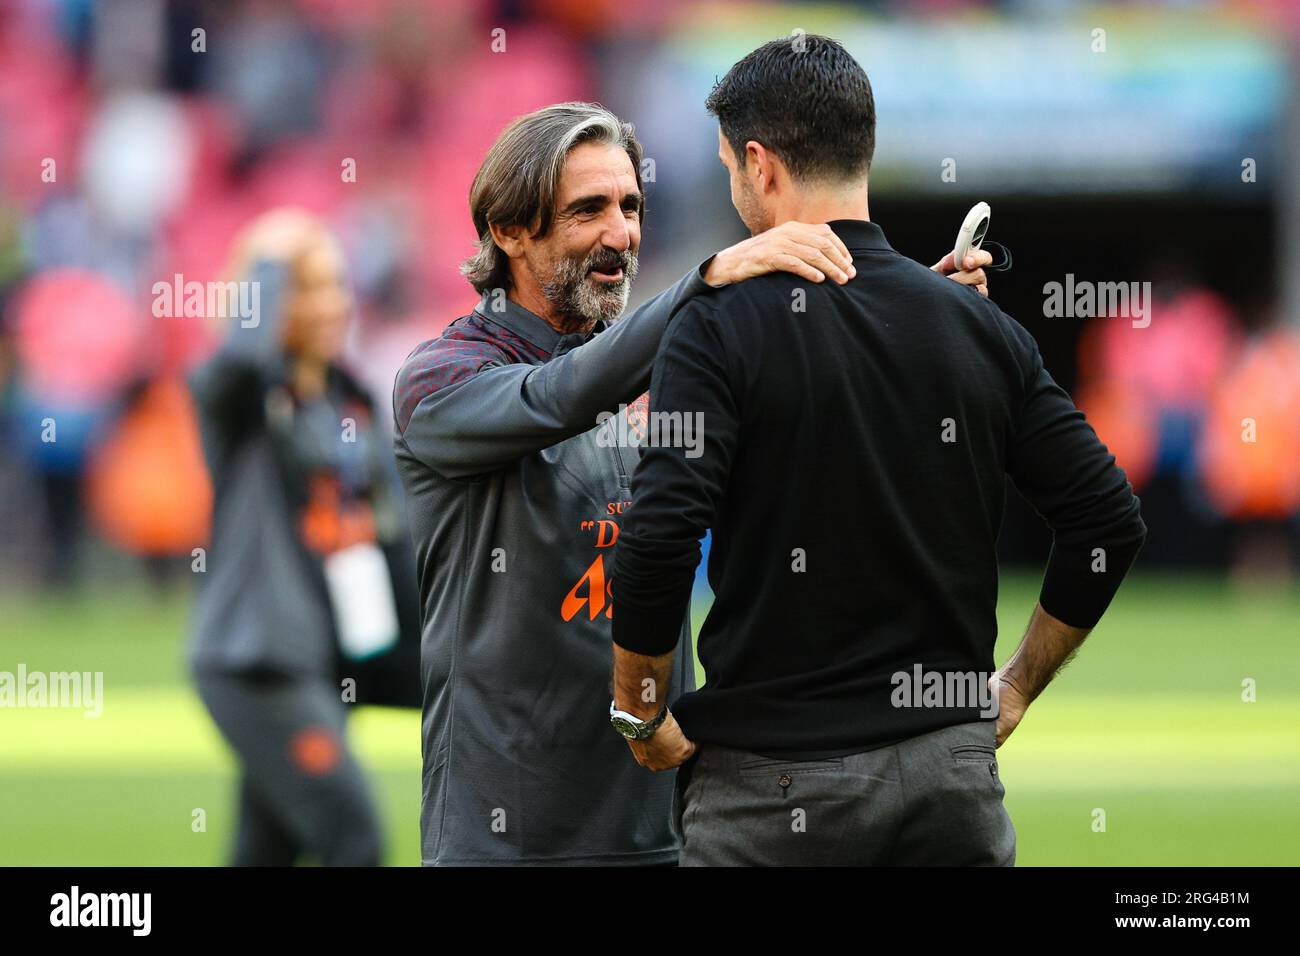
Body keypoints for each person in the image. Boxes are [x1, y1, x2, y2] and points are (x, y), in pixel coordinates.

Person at [391, 101, 992, 866]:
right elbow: (556, 398)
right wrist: (702, 285)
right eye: (588, 211)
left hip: (666, 819)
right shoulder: (440, 381)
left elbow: (803, 448)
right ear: (508, 230)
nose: (622, 234)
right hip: (505, 834)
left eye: (631, 206)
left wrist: (917, 325)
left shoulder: (647, 368)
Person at [608, 36, 1147, 866]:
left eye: (727, 166)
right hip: (952, 783)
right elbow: (1107, 520)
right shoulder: (975, 323)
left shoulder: (716, 322)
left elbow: (659, 535)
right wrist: (1015, 687)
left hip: (773, 790)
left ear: (760, 164)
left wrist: (639, 709)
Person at [189, 209, 420, 866]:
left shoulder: (351, 402)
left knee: (264, 853)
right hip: (258, 663)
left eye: (334, 284)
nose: (328, 304)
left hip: (331, 663)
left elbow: (387, 536)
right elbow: (239, 355)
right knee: (353, 836)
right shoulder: (237, 398)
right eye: (305, 287)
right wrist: (271, 258)